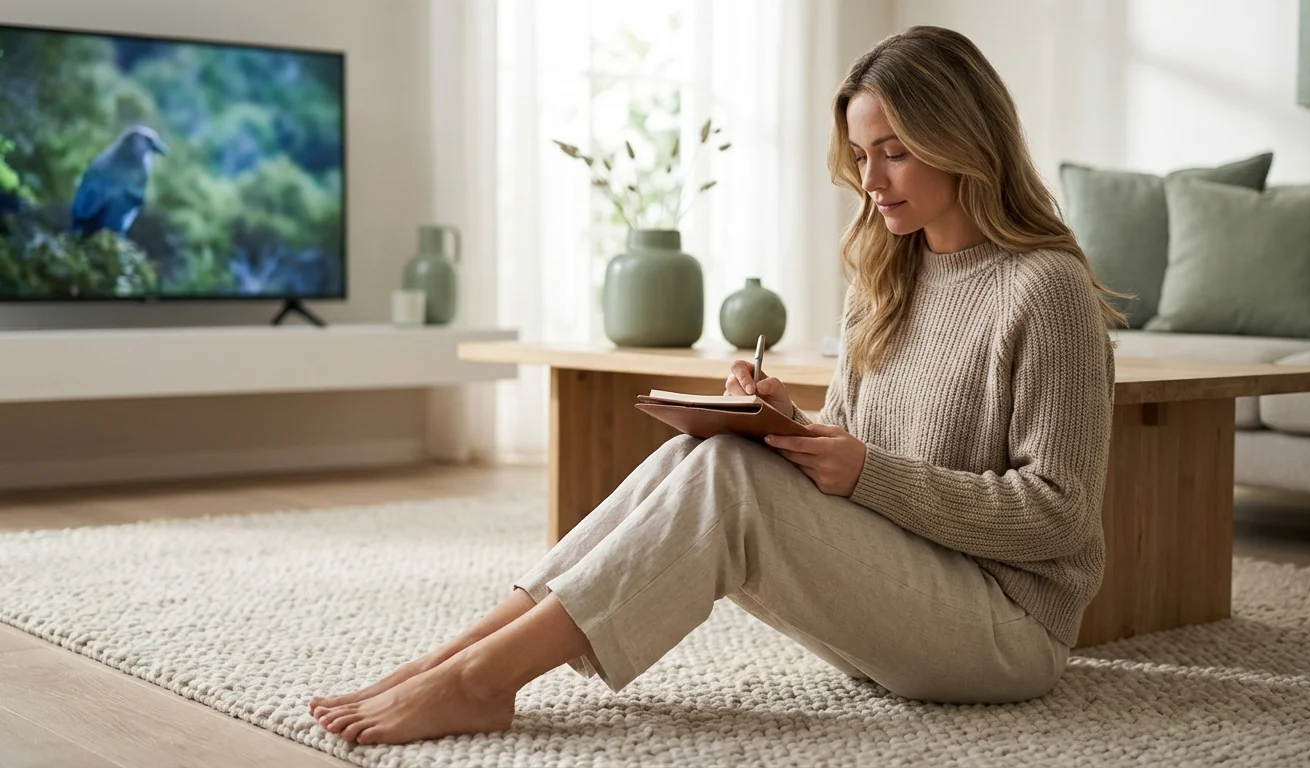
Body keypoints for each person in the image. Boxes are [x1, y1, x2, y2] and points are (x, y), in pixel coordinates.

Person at [307, 25, 1129, 745]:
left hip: (1006, 629)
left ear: (964, 139)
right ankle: (455, 659)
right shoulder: (887, 278)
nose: (871, 181)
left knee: (730, 480)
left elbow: (1057, 515)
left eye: (895, 151)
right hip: (908, 598)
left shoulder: (1043, 287)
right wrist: (785, 420)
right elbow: (853, 455)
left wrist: (866, 471)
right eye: (860, 156)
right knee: (698, 460)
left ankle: (480, 684)